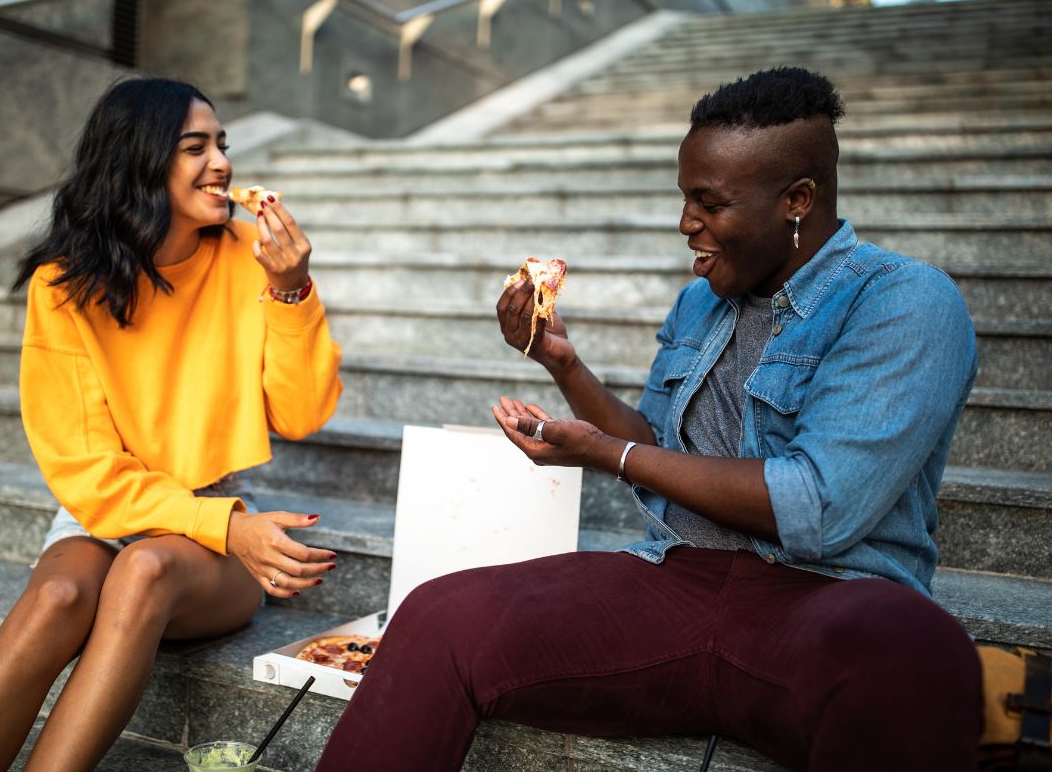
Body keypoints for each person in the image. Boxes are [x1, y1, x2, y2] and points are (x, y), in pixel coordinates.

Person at [316, 67, 983, 771]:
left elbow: (817, 506)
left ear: (797, 200)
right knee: (439, 616)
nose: (686, 223)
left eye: (709, 201)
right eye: (684, 197)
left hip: (823, 602)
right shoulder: (700, 302)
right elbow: (660, 450)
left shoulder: (905, 302)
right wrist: (561, 363)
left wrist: (608, 454)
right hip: (671, 584)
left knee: (915, 650)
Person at [0, 77, 343, 772]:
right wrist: (227, 525)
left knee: (143, 569)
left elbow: (302, 413)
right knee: (57, 594)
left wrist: (291, 292)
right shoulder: (63, 284)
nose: (223, 163)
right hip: (104, 512)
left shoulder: (248, 256)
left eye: (222, 144)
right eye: (194, 147)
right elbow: (86, 471)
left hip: (209, 523)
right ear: (139, 160)